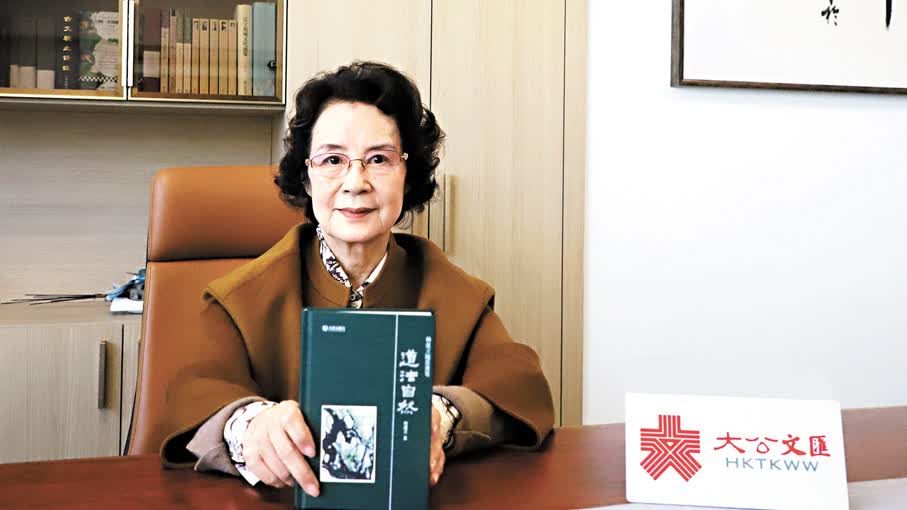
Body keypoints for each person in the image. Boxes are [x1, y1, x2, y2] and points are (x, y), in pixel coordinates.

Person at [159, 61, 554, 498]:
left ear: (409, 175)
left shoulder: (455, 292)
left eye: (379, 159)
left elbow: (518, 385)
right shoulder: (240, 298)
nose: (356, 182)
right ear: (307, 176)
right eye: (332, 160)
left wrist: (442, 415)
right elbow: (191, 395)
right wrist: (249, 426)